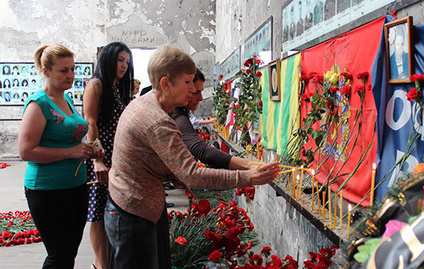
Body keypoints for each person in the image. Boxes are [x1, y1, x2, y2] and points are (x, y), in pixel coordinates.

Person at [104, 45, 279, 269]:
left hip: (128, 205)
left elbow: (146, 157)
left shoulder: (143, 103)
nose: (193, 89)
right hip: (133, 213)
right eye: (187, 82)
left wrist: (170, 171)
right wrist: (248, 177)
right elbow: (193, 175)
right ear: (166, 84)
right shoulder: (158, 121)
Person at [18, 44, 103, 268]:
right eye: (63, 70)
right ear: (46, 71)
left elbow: (70, 139)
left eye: (72, 69)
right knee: (60, 255)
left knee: (69, 252)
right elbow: (26, 151)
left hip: (74, 185)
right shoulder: (39, 104)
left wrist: (88, 150)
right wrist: (71, 152)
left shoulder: (65, 100)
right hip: (48, 189)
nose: (71, 75)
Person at [83, 41, 134, 269]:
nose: (123, 65)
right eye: (119, 60)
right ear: (108, 59)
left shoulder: (117, 89)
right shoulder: (96, 84)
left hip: (117, 159)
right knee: (97, 211)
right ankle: (100, 264)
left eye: (126, 61)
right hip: (101, 158)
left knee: (111, 210)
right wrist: (98, 160)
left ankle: (107, 262)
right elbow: (90, 123)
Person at [169, 69, 246, 169]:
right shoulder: (177, 116)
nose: (201, 98)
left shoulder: (179, 112)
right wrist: (248, 166)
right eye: (195, 92)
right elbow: (201, 150)